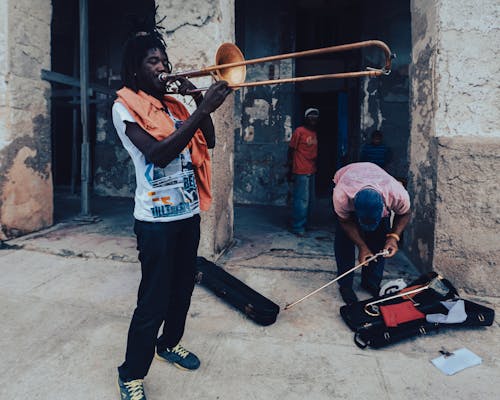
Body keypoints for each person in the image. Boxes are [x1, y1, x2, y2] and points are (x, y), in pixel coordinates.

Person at [112, 28, 231, 399]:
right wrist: (206, 108)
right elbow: (158, 153)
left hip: (188, 215)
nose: (162, 67)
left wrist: (196, 98)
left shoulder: (176, 105)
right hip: (155, 223)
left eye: (163, 60)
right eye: (153, 61)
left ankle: (170, 344)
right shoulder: (123, 108)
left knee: (182, 290)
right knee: (153, 299)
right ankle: (131, 373)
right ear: (136, 68)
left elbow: (207, 140)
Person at [332, 162, 411, 305]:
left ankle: (371, 282)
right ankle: (345, 285)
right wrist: (362, 246)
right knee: (344, 244)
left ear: (384, 206)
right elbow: (345, 221)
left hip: (378, 179)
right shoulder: (341, 195)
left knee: (380, 243)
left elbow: (404, 214)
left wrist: (393, 237)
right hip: (348, 176)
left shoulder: (396, 193)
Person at [287, 108, 319, 236]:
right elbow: (290, 150)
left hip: (311, 169)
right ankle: (297, 226)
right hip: (300, 169)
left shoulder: (314, 133)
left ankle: (306, 224)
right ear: (306, 118)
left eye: (315, 117)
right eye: (311, 116)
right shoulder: (299, 131)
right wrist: (290, 169)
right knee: (301, 200)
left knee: (309, 200)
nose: (313, 119)